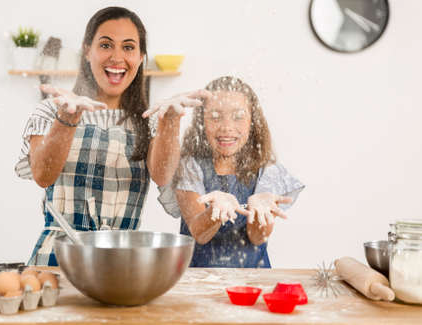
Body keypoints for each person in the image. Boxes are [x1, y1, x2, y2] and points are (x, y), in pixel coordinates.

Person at [15, 6, 211, 266]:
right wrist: (67, 119)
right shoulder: (53, 110)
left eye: (128, 47)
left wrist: (170, 121)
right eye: (106, 45)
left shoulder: (152, 119)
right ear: (87, 51)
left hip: (121, 262)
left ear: (141, 56)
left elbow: (163, 174)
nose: (117, 58)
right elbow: (42, 175)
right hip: (57, 260)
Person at [159, 76, 305, 268]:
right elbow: (199, 233)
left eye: (238, 116)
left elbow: (257, 237)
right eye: (215, 116)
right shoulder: (190, 166)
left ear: (253, 122)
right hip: (197, 282)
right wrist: (216, 211)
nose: (226, 127)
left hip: (252, 282)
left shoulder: (267, 169)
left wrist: (261, 212)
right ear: (202, 122)